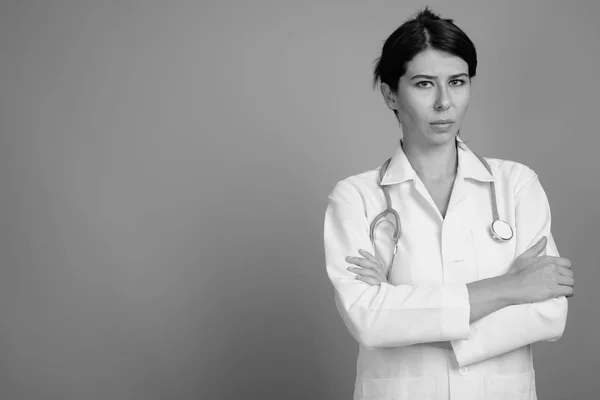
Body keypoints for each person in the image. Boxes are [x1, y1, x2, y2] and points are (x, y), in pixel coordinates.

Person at [323, 8, 574, 400]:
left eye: (457, 82)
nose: (444, 102)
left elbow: (549, 312)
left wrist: (404, 314)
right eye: (424, 84)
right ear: (391, 93)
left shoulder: (516, 184)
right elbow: (369, 320)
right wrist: (509, 287)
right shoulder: (356, 197)